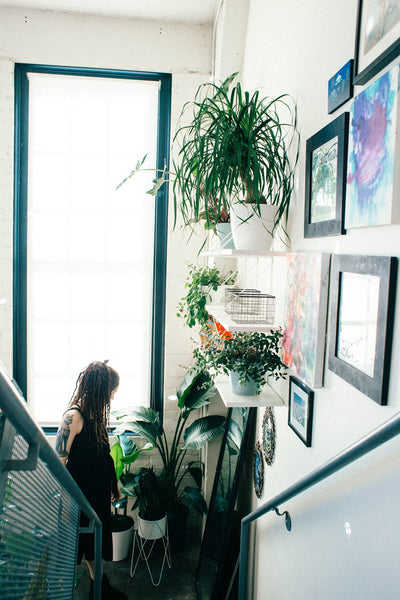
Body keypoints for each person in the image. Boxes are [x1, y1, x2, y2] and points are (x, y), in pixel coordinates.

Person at [56, 360, 128, 600]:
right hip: (80, 498)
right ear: (100, 391)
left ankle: (99, 587)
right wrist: (66, 504)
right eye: (111, 393)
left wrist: (113, 485)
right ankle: (80, 592)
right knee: (78, 547)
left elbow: (103, 455)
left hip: (96, 494)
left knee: (93, 545)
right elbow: (60, 464)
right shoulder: (73, 418)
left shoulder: (95, 415)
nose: (112, 399)